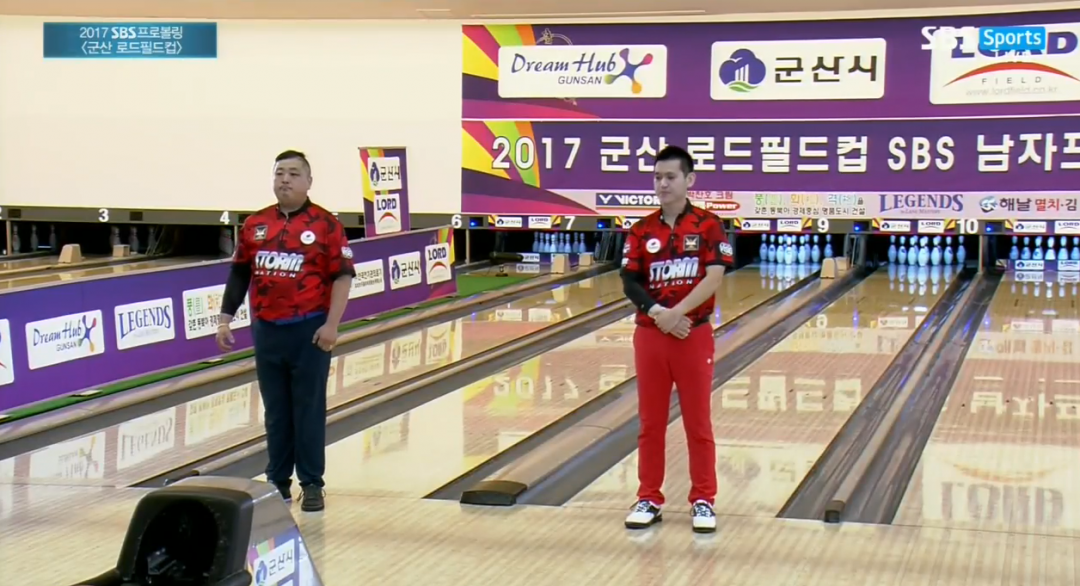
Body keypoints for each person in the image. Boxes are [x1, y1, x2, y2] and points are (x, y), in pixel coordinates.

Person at [216, 150, 356, 512]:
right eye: (280, 173)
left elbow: (342, 277)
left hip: (309, 330)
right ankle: (277, 481)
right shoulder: (255, 223)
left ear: (308, 182)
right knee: (276, 411)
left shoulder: (326, 224)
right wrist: (225, 317)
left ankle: (311, 483)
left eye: (294, 174)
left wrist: (332, 325)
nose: (285, 180)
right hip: (267, 330)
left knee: (308, 409)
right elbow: (240, 272)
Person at [620, 145, 734, 533]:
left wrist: (677, 314)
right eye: (657, 177)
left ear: (689, 180)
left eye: (670, 177)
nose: (663, 184)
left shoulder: (709, 225)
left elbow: (714, 277)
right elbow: (630, 281)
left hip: (692, 335)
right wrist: (659, 314)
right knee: (650, 423)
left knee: (697, 423)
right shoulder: (640, 230)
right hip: (651, 336)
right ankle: (648, 497)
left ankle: (703, 499)